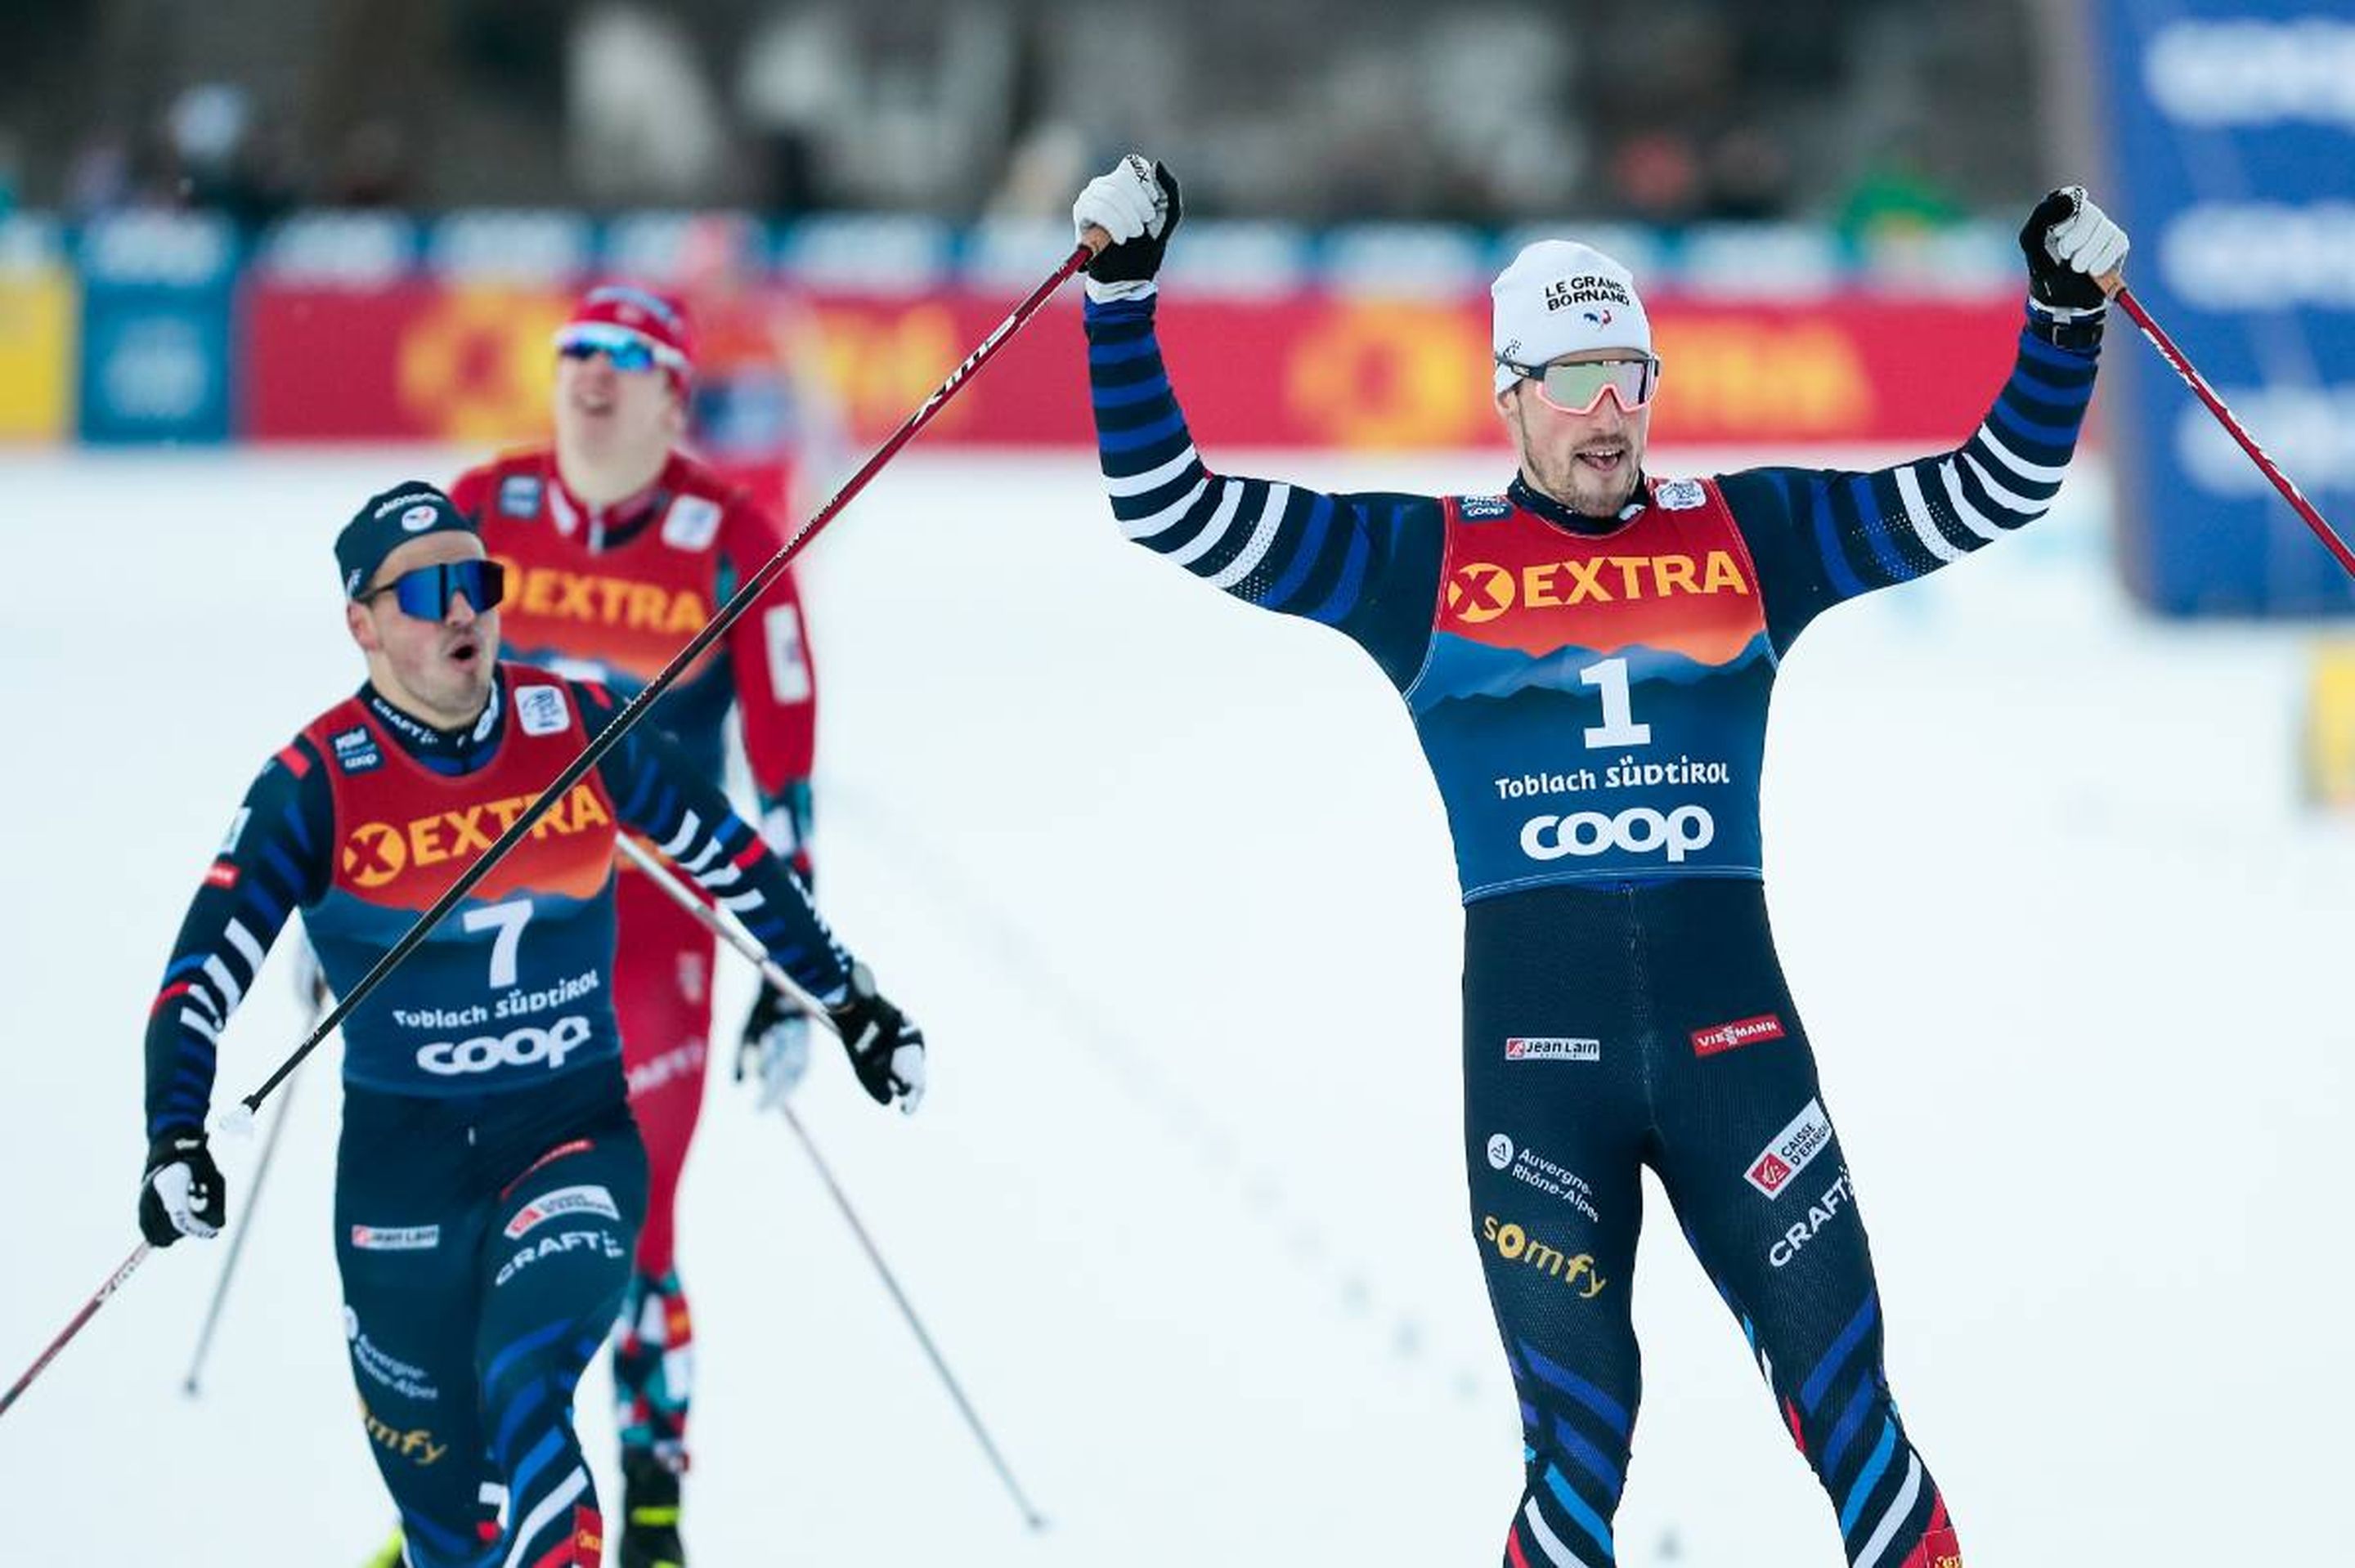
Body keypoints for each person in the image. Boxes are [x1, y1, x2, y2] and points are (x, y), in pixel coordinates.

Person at [1070, 155, 2125, 1566]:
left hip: (1738, 1055)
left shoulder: (1753, 532)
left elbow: (1992, 487)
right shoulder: (1421, 563)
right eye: (1571, 381)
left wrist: (2061, 322)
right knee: (1579, 1455)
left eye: (1632, 374)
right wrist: (1121, 299)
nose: (1609, 413)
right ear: (1506, 393)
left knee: (1854, 1416)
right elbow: (1171, 506)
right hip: (1538, 1084)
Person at [135, 482, 925, 1568]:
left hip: (573, 1134)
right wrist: (173, 1130)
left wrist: (847, 998)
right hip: (399, 1182)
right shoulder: (312, 786)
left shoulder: (578, 725)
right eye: (425, 593)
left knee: (527, 1385)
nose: (462, 611)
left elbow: (732, 859)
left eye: (479, 583)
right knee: (450, 1533)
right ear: (361, 622)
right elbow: (195, 981)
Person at [446, 282, 825, 1568]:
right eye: (572, 354)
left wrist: (793, 972)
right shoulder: (483, 511)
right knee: (465, 1237)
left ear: (675, 394)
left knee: (630, 1237)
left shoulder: (733, 535)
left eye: (625, 358)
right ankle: (458, 1515)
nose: (591, 377)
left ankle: (651, 1513)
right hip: (486, 935)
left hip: (652, 935)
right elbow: (387, 724)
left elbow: (785, 768)